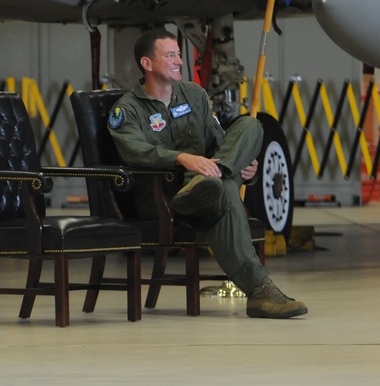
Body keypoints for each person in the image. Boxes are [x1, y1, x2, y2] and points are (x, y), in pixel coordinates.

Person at [107, 27, 307, 319]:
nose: (179, 61)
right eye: (170, 55)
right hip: (160, 195)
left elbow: (219, 142)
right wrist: (183, 158)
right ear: (147, 64)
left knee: (251, 127)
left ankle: (211, 180)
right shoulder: (128, 109)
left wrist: (243, 168)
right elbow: (135, 152)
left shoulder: (194, 94)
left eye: (178, 54)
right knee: (222, 188)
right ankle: (261, 292)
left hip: (205, 184)